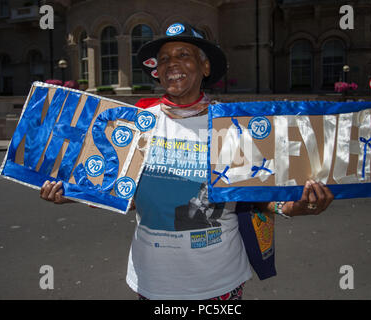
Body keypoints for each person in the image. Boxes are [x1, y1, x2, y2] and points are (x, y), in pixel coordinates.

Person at [40, 23, 334, 300]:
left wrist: (297, 207)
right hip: (153, 281)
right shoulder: (136, 123)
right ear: (157, 71)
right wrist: (73, 193)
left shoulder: (233, 125)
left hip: (220, 281)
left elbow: (256, 196)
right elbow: (122, 193)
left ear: (205, 66)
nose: (172, 63)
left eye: (184, 55)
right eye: (164, 58)